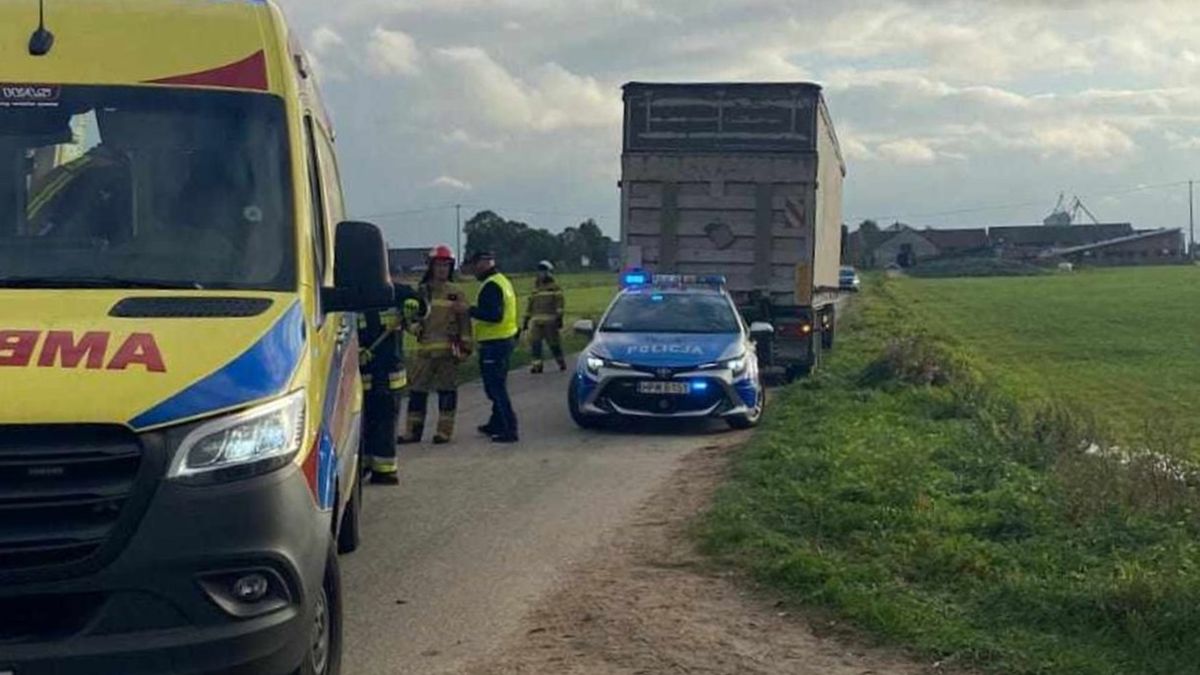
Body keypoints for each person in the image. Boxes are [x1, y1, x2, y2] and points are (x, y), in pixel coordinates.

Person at [399, 245, 472, 445]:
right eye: (439, 266)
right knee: (417, 392)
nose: (442, 270)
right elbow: (408, 318)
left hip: (448, 352)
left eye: (446, 266)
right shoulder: (422, 292)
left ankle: (444, 432)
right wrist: (414, 328)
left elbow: (465, 323)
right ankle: (412, 432)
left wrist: (465, 348)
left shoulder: (456, 293)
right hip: (424, 353)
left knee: (447, 392)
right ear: (431, 267)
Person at [358, 270, 422, 484]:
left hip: (389, 373)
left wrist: (415, 306)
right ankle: (364, 465)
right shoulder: (348, 296)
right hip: (360, 373)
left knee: (385, 422)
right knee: (363, 421)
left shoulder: (397, 292)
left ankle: (385, 470)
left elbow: (422, 305)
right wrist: (354, 350)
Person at [465, 251, 520, 444]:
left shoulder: (491, 286)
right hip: (505, 339)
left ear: (483, 264)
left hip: (495, 343)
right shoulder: (501, 281)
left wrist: (468, 310)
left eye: (474, 265)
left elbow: (494, 315)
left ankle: (509, 428)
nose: (473, 270)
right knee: (496, 386)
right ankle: (496, 423)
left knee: (495, 388)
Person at [524, 260, 567, 374]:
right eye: (540, 272)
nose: (541, 274)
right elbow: (530, 305)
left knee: (554, 344)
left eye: (544, 271)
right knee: (535, 344)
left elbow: (559, 304)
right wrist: (526, 320)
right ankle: (537, 366)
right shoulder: (536, 288)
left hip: (550, 322)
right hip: (536, 322)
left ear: (549, 273)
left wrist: (559, 318)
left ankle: (561, 362)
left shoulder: (555, 287)